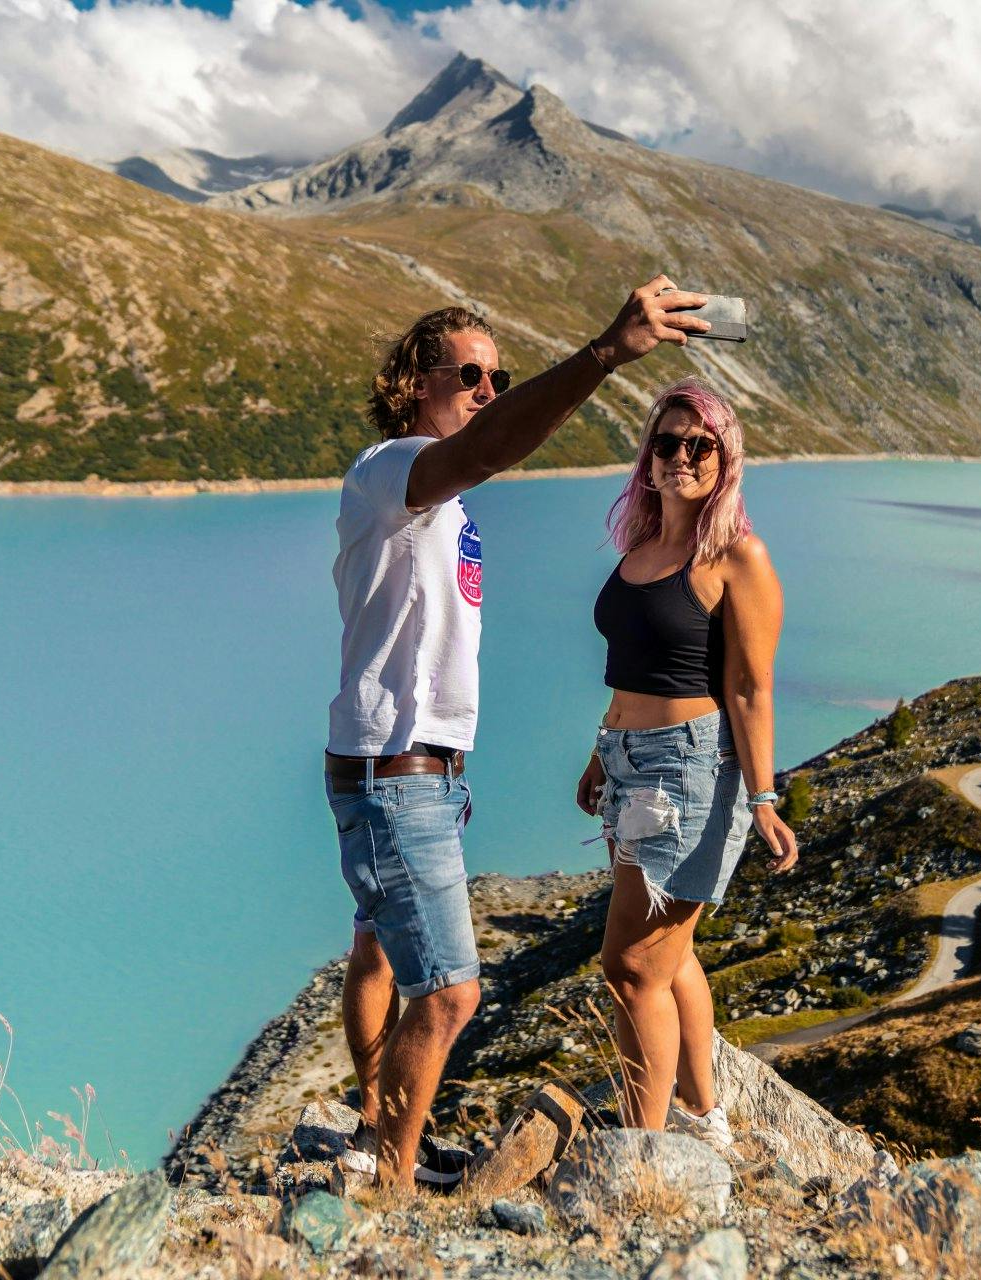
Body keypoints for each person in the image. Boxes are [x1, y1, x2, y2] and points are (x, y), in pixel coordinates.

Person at [328, 278, 711, 1189]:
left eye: (499, 378)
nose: (488, 393)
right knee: (453, 991)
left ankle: (380, 1130)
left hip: (421, 768)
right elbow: (492, 447)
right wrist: (606, 354)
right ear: (413, 383)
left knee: (380, 945)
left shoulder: (443, 507)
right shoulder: (392, 472)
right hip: (395, 768)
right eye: (469, 374)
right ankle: (387, 1182)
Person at [575, 376, 799, 1148]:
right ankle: (705, 1122)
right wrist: (600, 751)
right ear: (647, 456)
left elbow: (750, 687)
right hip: (627, 761)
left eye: (698, 445)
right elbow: (631, 664)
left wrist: (764, 798)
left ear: (723, 456)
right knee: (671, 958)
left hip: (690, 772)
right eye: (666, 443)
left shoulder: (739, 556)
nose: (680, 457)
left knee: (630, 964)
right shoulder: (641, 548)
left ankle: (645, 1151)